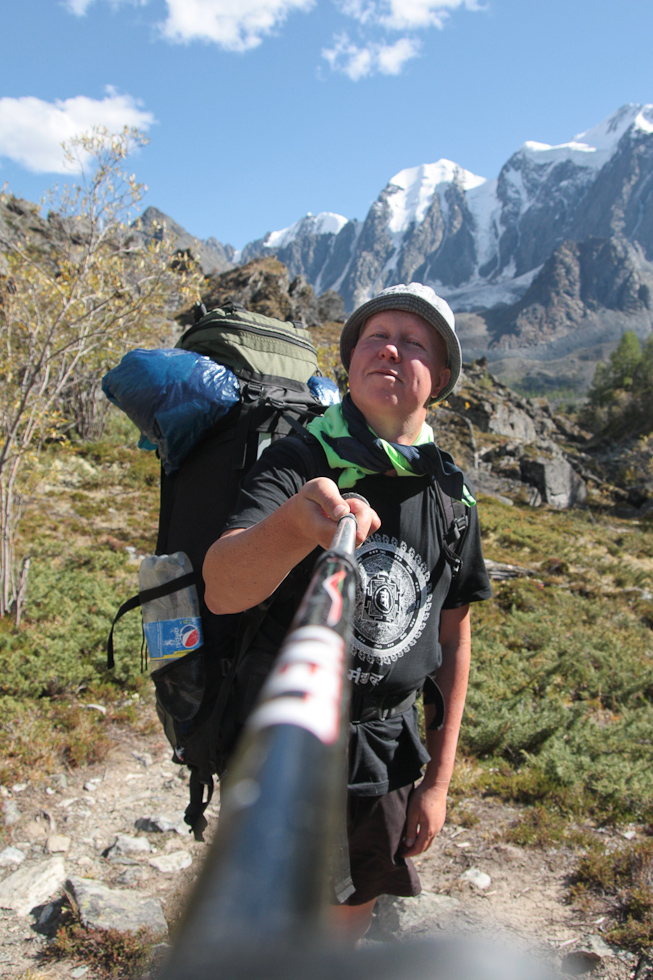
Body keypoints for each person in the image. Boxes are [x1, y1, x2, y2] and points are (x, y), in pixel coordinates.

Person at [203, 282, 492, 940]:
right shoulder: (302, 459)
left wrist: (438, 781)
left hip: (384, 752)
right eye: (374, 337)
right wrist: (291, 528)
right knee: (267, 921)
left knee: (345, 921)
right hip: (285, 740)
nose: (390, 349)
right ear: (352, 360)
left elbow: (454, 637)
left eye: (413, 341)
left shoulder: (451, 492)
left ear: (439, 376)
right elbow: (222, 586)